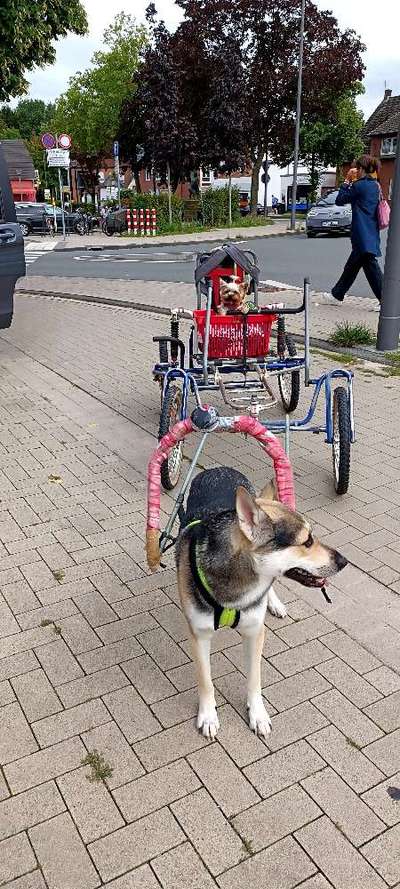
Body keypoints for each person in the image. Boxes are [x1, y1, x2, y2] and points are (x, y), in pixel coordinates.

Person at [330, 155, 383, 305]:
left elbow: (340, 200)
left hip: (361, 232)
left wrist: (347, 181)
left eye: (357, 168)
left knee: (371, 267)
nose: (356, 171)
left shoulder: (359, 185)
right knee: (352, 267)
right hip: (371, 231)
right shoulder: (375, 185)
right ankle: (337, 293)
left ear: (361, 169)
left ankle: (387, 301)